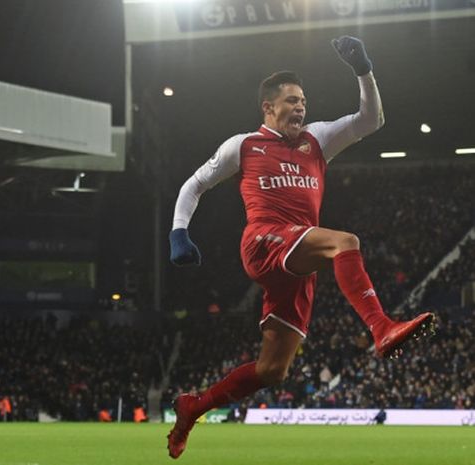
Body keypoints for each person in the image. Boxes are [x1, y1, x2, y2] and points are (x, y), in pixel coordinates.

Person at [166, 36, 434, 459]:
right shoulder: (243, 145)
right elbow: (195, 184)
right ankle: (381, 327)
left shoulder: (316, 141)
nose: (301, 107)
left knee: (273, 370)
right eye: (291, 101)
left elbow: (370, 120)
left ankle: (193, 406)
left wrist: (363, 70)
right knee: (345, 241)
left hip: (297, 259)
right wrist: (179, 232)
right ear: (268, 108)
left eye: (304, 100)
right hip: (264, 243)